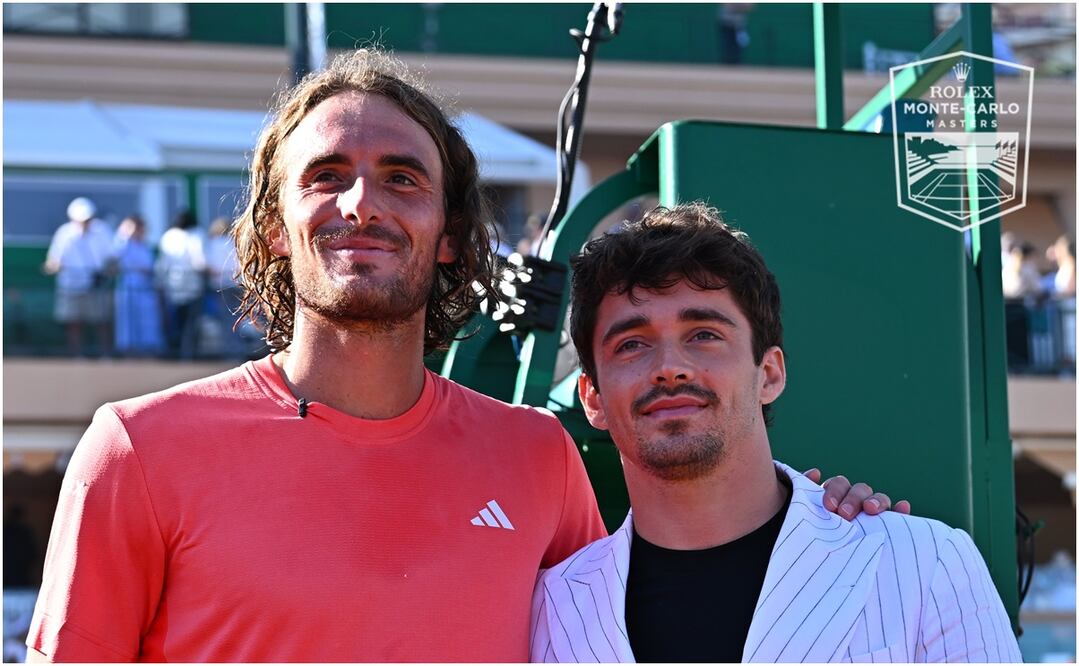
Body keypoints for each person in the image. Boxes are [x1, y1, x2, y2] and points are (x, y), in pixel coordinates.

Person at [29, 52, 893, 663]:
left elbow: (640, 613)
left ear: (449, 237)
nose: (362, 202)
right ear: (271, 228)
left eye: (403, 177)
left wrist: (817, 523)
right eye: (326, 174)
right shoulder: (137, 450)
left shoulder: (536, 457)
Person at [530, 203, 1021, 662]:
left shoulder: (925, 562)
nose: (670, 368)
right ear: (592, 397)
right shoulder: (549, 609)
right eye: (632, 344)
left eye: (704, 334)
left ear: (769, 374)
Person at [44, 197, 115, 357]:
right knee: (73, 323)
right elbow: (53, 261)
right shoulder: (64, 233)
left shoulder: (102, 231)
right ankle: (76, 356)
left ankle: (106, 356)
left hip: (96, 286)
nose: (85, 223)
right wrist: (54, 267)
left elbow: (112, 259)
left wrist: (105, 274)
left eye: (88, 219)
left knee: (102, 322)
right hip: (70, 286)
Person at [155, 209, 207, 358]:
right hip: (192, 285)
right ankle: (187, 353)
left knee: (176, 321)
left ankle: (175, 352)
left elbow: (162, 263)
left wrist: (160, 281)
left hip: (173, 285)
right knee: (190, 322)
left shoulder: (168, 236)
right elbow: (199, 261)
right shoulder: (196, 234)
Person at [112, 215, 164, 357]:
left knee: (147, 320)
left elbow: (149, 267)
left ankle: (147, 349)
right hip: (128, 287)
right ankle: (128, 349)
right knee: (127, 321)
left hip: (145, 288)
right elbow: (115, 257)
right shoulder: (122, 243)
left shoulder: (144, 246)